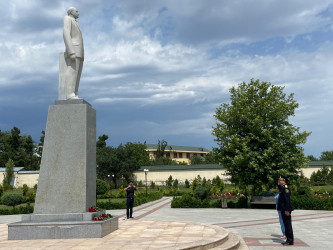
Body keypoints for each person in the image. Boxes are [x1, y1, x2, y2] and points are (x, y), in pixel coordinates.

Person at [63, 7, 84, 99]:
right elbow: (66, 33)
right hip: (74, 49)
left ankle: (74, 93)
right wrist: (71, 51)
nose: (78, 12)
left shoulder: (75, 21)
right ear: (71, 12)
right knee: (72, 71)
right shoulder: (67, 18)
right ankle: (69, 94)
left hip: (79, 50)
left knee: (77, 73)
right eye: (76, 11)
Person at [277, 176, 294, 245]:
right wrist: (278, 184)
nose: (278, 181)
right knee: (285, 224)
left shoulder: (286, 188)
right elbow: (278, 187)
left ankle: (290, 240)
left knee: (287, 225)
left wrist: (287, 210)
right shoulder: (282, 188)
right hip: (283, 209)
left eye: (280, 180)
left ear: (284, 181)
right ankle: (288, 239)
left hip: (285, 210)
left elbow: (287, 200)